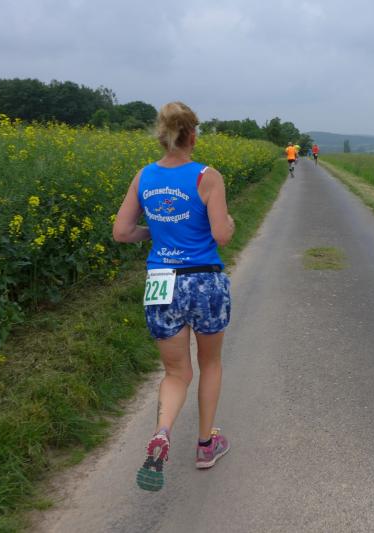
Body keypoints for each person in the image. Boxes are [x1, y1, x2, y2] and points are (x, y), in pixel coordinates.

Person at [113, 101, 235, 491]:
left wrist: (156, 233)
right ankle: (205, 445)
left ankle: (162, 432)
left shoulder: (144, 176)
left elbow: (122, 232)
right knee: (210, 363)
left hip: (161, 282)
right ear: (192, 135)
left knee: (175, 373)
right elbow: (221, 235)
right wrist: (229, 222)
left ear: (162, 135)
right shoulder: (206, 176)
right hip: (203, 280)